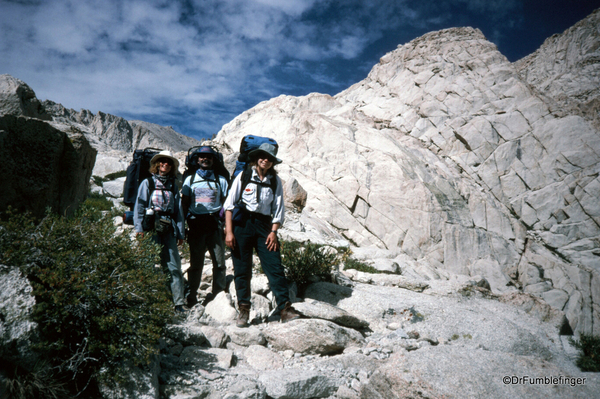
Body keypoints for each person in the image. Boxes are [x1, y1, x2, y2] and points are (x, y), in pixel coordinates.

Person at [223, 142, 300, 327]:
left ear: (273, 162)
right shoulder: (243, 176)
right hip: (242, 225)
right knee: (242, 269)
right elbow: (229, 206)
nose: (265, 160)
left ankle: (284, 308)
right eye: (262, 157)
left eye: (269, 158)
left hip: (265, 227)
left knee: (274, 266)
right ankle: (244, 309)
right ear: (257, 158)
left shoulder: (275, 182)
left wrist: (274, 232)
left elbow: (278, 210)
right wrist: (229, 232)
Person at [133, 150, 187, 313]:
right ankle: (145, 299)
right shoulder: (147, 183)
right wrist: (139, 228)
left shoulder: (173, 186)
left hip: (168, 228)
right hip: (150, 227)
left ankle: (178, 302)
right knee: (148, 263)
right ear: (156, 165)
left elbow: (178, 211)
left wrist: (180, 233)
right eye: (162, 162)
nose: (165, 165)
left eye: (168, 163)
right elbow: (140, 205)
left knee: (173, 266)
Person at [181, 146, 228, 307]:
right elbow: (185, 204)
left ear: (213, 160)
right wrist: (182, 226)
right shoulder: (190, 180)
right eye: (201, 157)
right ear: (197, 159)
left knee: (219, 262)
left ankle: (218, 295)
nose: (205, 159)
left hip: (215, 225)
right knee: (196, 264)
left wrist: (226, 225)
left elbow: (226, 204)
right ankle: (191, 295)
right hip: (196, 225)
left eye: (208, 157)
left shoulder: (221, 180)